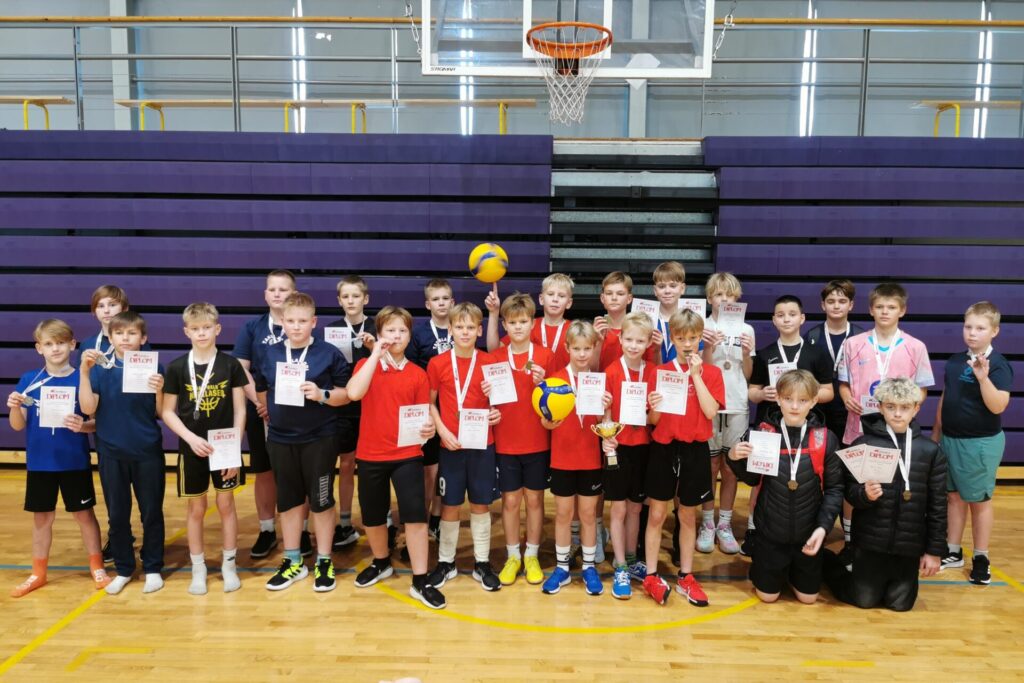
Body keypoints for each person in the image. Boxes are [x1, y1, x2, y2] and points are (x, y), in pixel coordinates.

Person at [251, 292, 351, 592]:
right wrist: (268, 409)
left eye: (303, 321)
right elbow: (261, 389)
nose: (296, 326)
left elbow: (347, 394)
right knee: (289, 501)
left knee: (321, 501)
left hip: (320, 439)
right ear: (282, 321)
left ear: (313, 322)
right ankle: (293, 560)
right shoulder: (269, 354)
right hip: (281, 439)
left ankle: (324, 560)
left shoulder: (328, 353)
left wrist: (322, 395)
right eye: (291, 321)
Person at [347, 306, 445, 609]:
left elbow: (423, 415)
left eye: (402, 330)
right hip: (371, 454)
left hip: (407, 456)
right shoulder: (364, 365)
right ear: (379, 334)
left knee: (415, 517)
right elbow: (353, 393)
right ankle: (381, 562)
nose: (397, 336)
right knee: (373, 516)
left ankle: (420, 579)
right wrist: (375, 355)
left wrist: (429, 429)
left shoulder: (418, 374)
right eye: (390, 330)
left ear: (410, 336)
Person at [824, 377, 947, 612]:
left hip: (909, 546)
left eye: (905, 407)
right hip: (870, 543)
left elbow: (938, 506)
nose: (897, 414)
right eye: (891, 407)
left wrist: (934, 551)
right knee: (864, 601)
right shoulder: (863, 444)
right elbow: (849, 492)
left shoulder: (931, 452)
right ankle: (827, 562)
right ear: (880, 407)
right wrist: (864, 495)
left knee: (900, 605)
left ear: (916, 408)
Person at [7, 319, 110, 596]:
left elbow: (97, 422)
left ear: (72, 345)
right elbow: (17, 425)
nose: (55, 349)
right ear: (39, 348)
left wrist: (83, 426)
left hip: (74, 461)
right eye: (49, 344)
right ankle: (38, 572)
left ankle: (97, 567)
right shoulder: (29, 380)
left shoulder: (83, 378)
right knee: (42, 519)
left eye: (61, 343)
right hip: (40, 463)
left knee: (84, 515)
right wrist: (14, 407)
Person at [837, 282, 933, 566]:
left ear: (902, 310)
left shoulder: (916, 347)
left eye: (891, 307)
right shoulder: (853, 344)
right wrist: (846, 398)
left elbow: (922, 389)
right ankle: (851, 541)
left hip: (897, 430)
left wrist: (906, 409)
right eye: (879, 307)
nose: (885, 312)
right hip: (859, 427)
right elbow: (843, 383)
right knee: (856, 487)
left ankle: (887, 544)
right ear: (870, 309)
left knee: (890, 489)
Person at [727, 370, 843, 604]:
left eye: (803, 400)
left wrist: (823, 528)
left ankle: (812, 564)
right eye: (788, 399)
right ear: (778, 398)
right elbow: (752, 480)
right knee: (767, 597)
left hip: (807, 534)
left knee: (808, 599)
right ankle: (770, 566)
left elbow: (834, 489)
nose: (795, 406)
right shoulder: (762, 433)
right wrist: (734, 458)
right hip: (770, 535)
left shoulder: (826, 439)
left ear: (814, 401)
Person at [161, 303, 248, 595]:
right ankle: (198, 568)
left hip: (224, 446)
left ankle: (229, 565)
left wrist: (234, 449)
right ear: (186, 331)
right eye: (195, 329)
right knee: (196, 507)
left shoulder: (230, 365)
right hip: (192, 447)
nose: (201, 333)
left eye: (207, 328)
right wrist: (190, 438)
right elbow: (167, 411)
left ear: (217, 329)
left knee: (226, 504)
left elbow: (240, 409)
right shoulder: (176, 367)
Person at [79, 311, 166, 595]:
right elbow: (88, 408)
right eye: (119, 333)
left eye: (131, 334)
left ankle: (152, 567)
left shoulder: (153, 367)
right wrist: (84, 372)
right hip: (111, 451)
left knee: (151, 512)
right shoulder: (99, 368)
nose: (125, 339)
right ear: (111, 337)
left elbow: (160, 412)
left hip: (147, 450)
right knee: (117, 514)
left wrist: (159, 390)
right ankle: (125, 568)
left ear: (143, 338)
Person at [642, 309, 724, 607]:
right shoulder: (659, 372)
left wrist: (696, 376)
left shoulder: (712, 373)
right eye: (681, 338)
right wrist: (655, 406)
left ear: (700, 338)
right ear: (672, 338)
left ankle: (686, 576)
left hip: (695, 450)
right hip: (664, 448)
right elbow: (652, 420)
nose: (687, 344)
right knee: (656, 514)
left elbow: (711, 411)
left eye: (693, 338)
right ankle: (651, 575)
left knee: (688, 515)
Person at [933, 301, 1012, 585]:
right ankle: (953, 551)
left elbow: (998, 405)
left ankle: (981, 557)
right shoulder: (956, 361)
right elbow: (946, 397)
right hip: (950, 439)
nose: (972, 333)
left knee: (979, 501)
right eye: (968, 327)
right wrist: (937, 433)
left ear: (994, 331)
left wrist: (983, 379)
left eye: (980, 328)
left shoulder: (999, 364)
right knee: (953, 497)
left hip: (980, 443)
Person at [427, 302, 502, 592]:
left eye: (471, 327)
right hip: (451, 444)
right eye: (459, 327)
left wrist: (495, 412)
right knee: (450, 504)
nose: (465, 332)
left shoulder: (490, 362)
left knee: (481, 504)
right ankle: (446, 562)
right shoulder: (437, 363)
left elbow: (499, 404)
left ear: (480, 330)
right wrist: (442, 430)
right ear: (450, 330)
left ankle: (482, 562)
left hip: (483, 444)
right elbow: (429, 403)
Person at [483, 291, 552, 587]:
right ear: (505, 326)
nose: (518, 327)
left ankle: (532, 554)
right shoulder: (495, 358)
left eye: (523, 321)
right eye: (512, 322)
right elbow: (487, 401)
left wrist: (545, 383)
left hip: (537, 441)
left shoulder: (545, 356)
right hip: (506, 442)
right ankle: (513, 556)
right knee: (510, 501)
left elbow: (559, 397)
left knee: (535, 500)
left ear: (532, 323)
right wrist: (488, 406)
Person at [231, 269, 300, 560]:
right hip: (260, 409)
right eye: (272, 289)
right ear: (265, 294)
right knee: (265, 471)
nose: (277, 294)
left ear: (294, 294)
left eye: (283, 289)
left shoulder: (302, 325)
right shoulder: (252, 327)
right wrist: (259, 402)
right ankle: (267, 529)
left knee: (297, 473)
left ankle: (301, 531)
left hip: (296, 411)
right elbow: (240, 368)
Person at [541, 321, 611, 596]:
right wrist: (549, 422)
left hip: (590, 458)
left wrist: (606, 410)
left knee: (588, 515)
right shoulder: (554, 381)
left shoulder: (599, 381)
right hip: (562, 458)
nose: (582, 354)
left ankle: (589, 567)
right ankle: (561, 568)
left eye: (587, 349)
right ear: (567, 348)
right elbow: (544, 421)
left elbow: (603, 424)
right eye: (577, 348)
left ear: (594, 348)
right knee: (563, 514)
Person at [804, 279, 865, 562]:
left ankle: (851, 532)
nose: (836, 306)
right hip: (820, 414)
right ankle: (818, 524)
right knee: (822, 471)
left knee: (851, 472)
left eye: (842, 301)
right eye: (831, 301)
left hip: (853, 414)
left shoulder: (862, 337)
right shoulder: (812, 335)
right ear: (822, 305)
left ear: (851, 305)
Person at [597, 312, 656, 598]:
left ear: (648, 343)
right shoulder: (610, 371)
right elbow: (604, 414)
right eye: (629, 339)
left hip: (644, 447)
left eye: (640, 341)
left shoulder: (653, 372)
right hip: (618, 448)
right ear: (620, 339)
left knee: (635, 508)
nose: (633, 345)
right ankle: (620, 564)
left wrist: (654, 406)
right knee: (619, 508)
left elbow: (655, 417)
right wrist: (607, 437)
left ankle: (632, 559)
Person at [699, 272, 755, 556]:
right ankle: (707, 522)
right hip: (709, 403)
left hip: (737, 403)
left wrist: (746, 353)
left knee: (731, 468)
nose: (724, 299)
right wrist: (708, 346)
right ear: (710, 298)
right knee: (709, 466)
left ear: (737, 298)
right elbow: (702, 370)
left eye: (730, 295)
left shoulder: (747, 329)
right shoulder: (702, 326)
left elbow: (748, 374)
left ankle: (725, 523)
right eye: (719, 294)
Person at [321, 275, 377, 551]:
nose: (351, 301)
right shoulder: (331, 330)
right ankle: (344, 522)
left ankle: (379, 519)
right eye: (346, 296)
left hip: (374, 405)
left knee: (373, 466)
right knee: (345, 464)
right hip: (343, 406)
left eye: (356, 296)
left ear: (365, 299)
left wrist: (373, 347)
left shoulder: (377, 327)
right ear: (339, 300)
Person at [408, 278, 456, 543]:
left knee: (443, 470)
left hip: (454, 409)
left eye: (445, 298)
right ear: (428, 304)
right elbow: (414, 372)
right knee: (428, 471)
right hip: (427, 409)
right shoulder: (419, 334)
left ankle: (436, 519)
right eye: (436, 299)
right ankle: (421, 521)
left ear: (452, 301)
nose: (441, 303)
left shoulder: (460, 328)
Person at [488, 273, 575, 370]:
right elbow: (494, 350)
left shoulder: (575, 330)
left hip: (564, 379)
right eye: (550, 294)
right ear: (541, 299)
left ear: (569, 303)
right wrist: (493, 312)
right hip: (532, 378)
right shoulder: (527, 324)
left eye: (561, 296)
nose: (555, 299)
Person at [650, 261, 687, 364]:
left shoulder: (690, 320)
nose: (667, 291)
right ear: (655, 290)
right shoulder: (647, 320)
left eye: (673, 286)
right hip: (650, 372)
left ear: (682, 288)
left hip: (683, 373)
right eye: (662, 286)